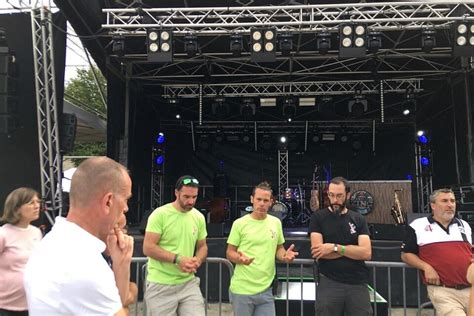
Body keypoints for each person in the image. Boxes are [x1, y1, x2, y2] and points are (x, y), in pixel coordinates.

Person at [24, 157, 134, 315]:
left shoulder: (54, 242)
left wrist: (121, 265)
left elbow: (115, 303)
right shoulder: (86, 264)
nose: (126, 208)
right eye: (125, 199)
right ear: (108, 202)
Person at [226, 181, 298, 316]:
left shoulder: (276, 223)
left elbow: (279, 248)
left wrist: (285, 256)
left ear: (271, 202)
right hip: (242, 290)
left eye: (266, 200)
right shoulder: (239, 224)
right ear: (252, 199)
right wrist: (239, 258)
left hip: (266, 290)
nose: (262, 203)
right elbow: (230, 252)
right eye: (259, 199)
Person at [143, 175, 208, 316]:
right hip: (160, 285)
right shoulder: (160, 214)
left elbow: (202, 246)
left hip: (188, 283)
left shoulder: (198, 217)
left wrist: (198, 259)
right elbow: (148, 247)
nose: (190, 201)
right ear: (176, 193)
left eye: (194, 197)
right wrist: (178, 259)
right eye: (186, 196)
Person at [401, 188, 472, 315]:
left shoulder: (464, 225)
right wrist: (426, 267)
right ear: (433, 205)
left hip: (471, 288)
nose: (450, 205)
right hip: (444, 291)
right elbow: (406, 254)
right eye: (444, 201)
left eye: (452, 201)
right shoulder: (418, 225)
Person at [309, 176, 372, 316]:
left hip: (358, 283)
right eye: (331, 195)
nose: (334, 199)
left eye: (339, 195)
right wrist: (352, 251)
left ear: (348, 195)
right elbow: (319, 252)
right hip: (329, 281)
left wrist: (334, 248)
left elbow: (366, 253)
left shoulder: (358, 219)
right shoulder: (318, 218)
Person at [0, 188, 42, 316]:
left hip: (30, 304)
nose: (37, 206)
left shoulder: (36, 232)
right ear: (16, 208)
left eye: (38, 202)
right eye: (31, 203)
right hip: (4, 306)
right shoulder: (3, 234)